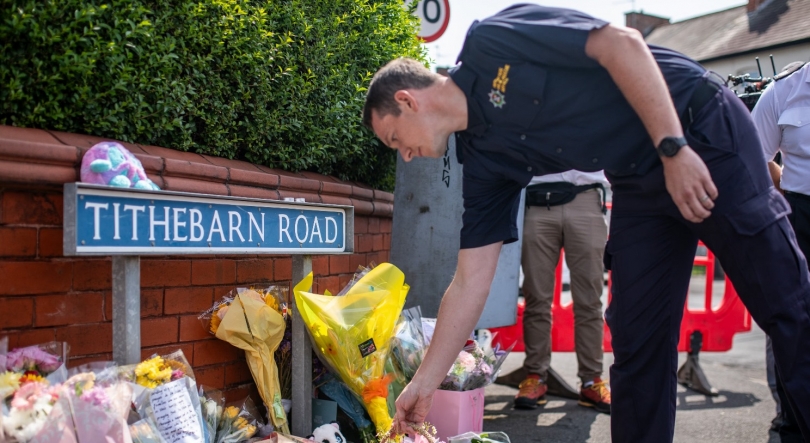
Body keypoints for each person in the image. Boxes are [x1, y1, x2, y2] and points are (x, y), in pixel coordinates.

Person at [362, 5, 810, 442]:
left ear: (407, 101)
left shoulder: (492, 40)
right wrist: (423, 384)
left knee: (787, 305)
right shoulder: (480, 163)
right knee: (637, 343)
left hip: (696, 130)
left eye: (395, 139)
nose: (406, 155)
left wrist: (672, 148)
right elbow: (469, 281)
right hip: (636, 177)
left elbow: (622, 44)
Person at [517, 170, 610, 413]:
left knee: (590, 301)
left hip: (586, 197)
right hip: (537, 198)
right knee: (536, 297)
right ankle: (535, 376)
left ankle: (591, 380)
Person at [751, 60, 810, 443]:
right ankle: (790, 418)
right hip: (799, 213)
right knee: (793, 320)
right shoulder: (785, 90)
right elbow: (749, 155)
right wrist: (782, 184)